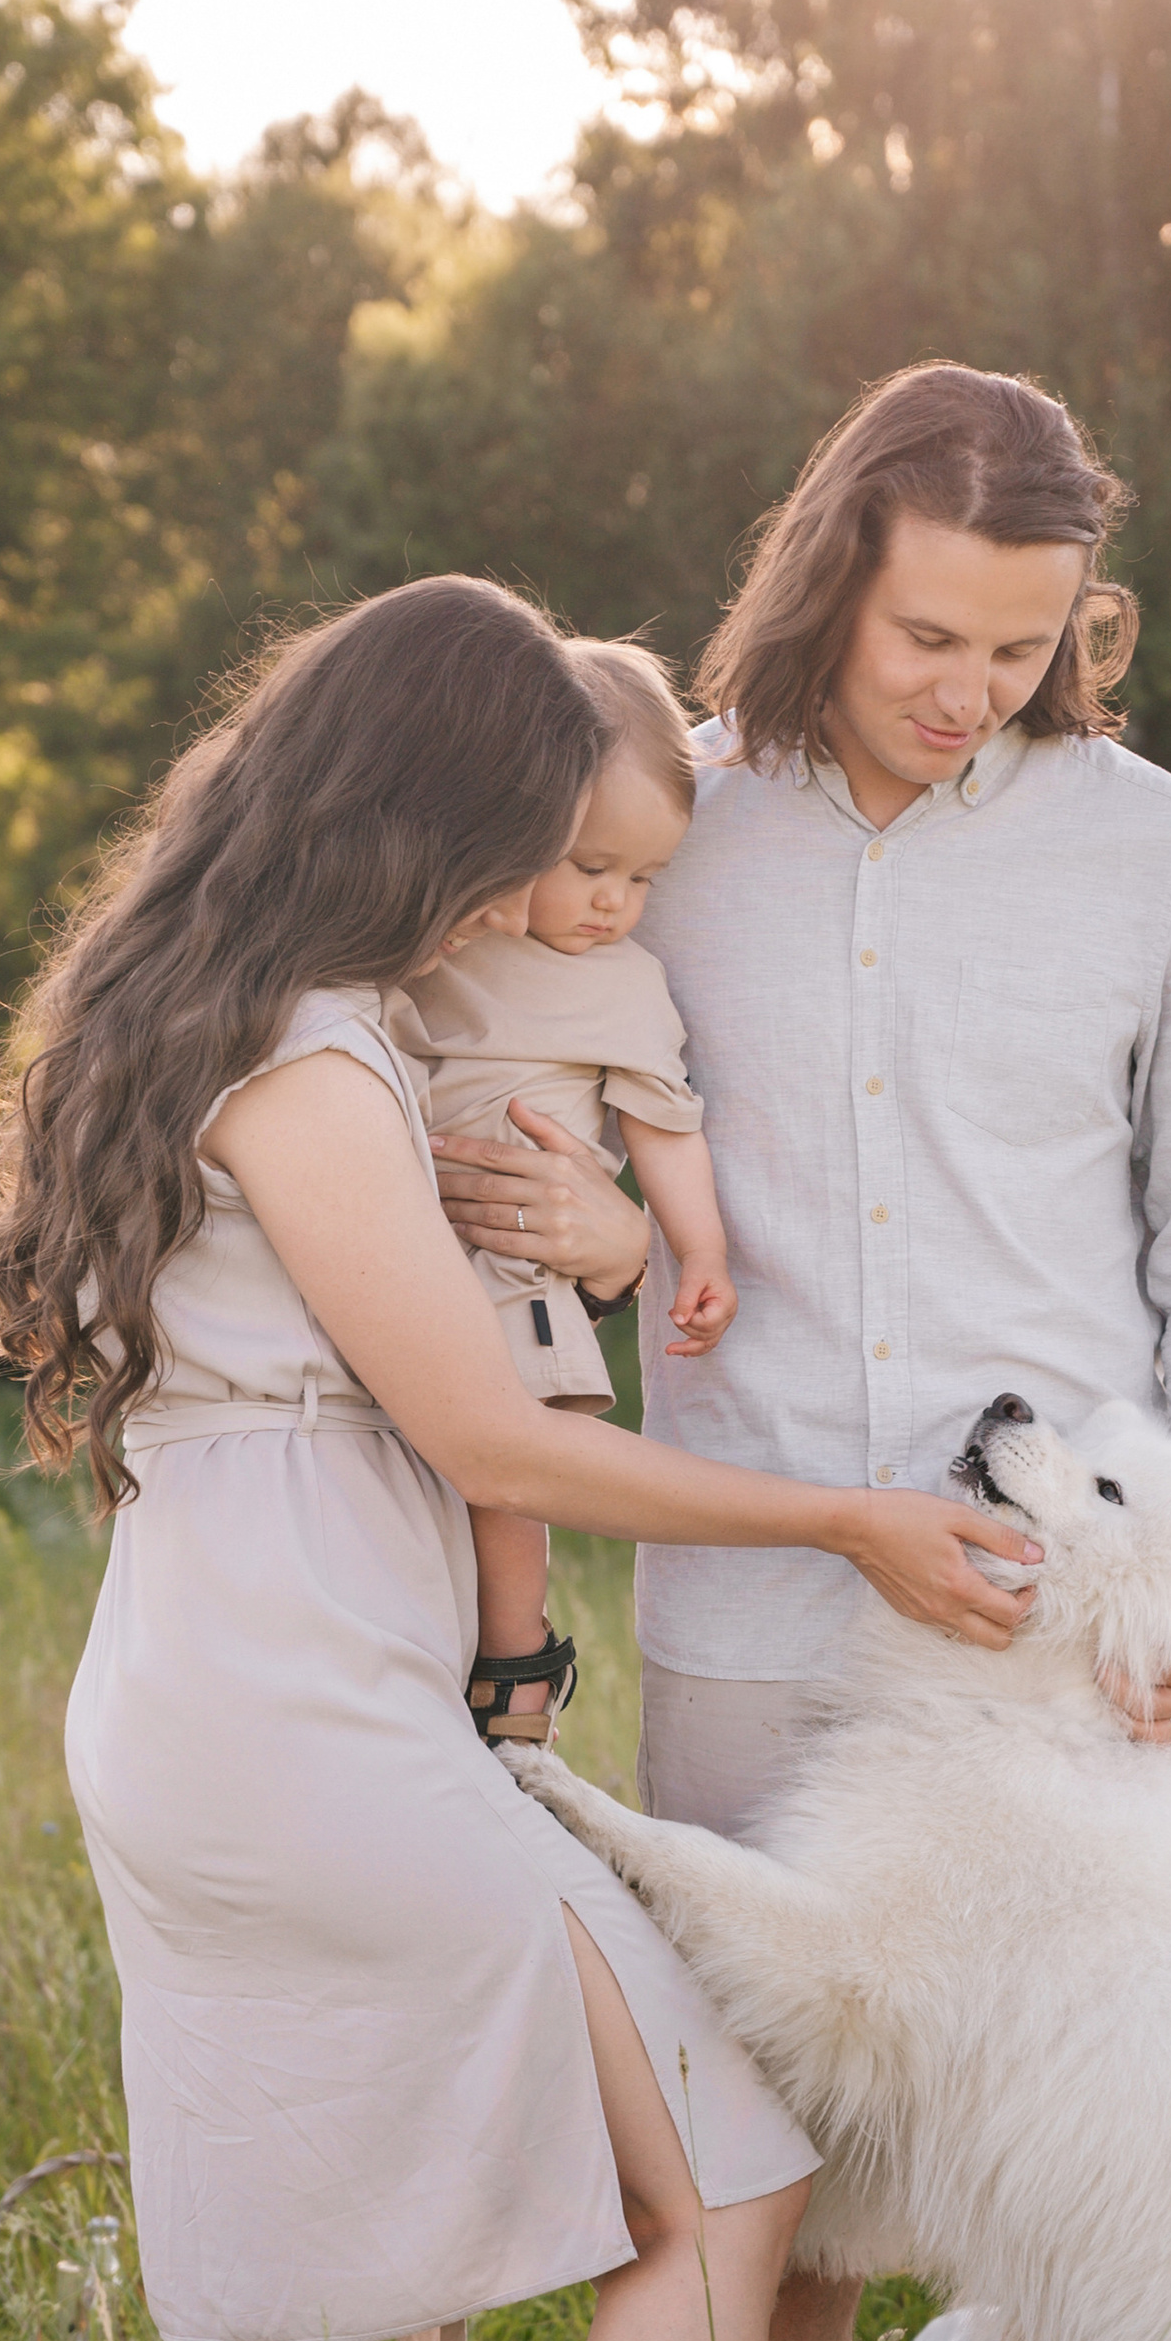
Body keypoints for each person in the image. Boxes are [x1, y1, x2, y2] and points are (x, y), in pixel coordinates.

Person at [0, 575, 1042, 2341]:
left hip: (210, 1685)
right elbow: (479, 1418)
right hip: (308, 1719)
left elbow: (498, 1329)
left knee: (262, 2319)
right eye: (518, 837)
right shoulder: (313, 1059)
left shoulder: (219, 1004)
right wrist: (844, 1509)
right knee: (729, 2170)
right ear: (418, 803)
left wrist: (616, 1255)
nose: (536, 892)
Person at [432, 369, 1171, 2341]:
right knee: (774, 2203)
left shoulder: (1159, 853)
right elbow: (556, 1153)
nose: (967, 686)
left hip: (1079, 1635)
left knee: (1080, 2165)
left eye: (1020, 649)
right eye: (930, 630)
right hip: (751, 1606)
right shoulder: (658, 831)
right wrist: (611, 1240)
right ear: (832, 572)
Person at [385, 643, 733, 1747]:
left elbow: (664, 1127)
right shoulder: (439, 944)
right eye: (589, 865)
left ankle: (515, 1670)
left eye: (643, 879)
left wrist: (700, 1251)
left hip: (512, 1269)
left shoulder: (623, 986)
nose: (614, 903)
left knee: (504, 1472)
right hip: (387, 1250)